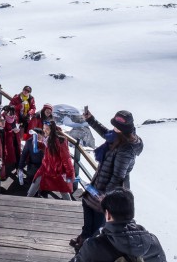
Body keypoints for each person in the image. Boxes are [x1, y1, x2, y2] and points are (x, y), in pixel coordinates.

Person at [71, 109, 144, 252]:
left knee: (99, 219)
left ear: (124, 129)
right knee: (87, 205)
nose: (113, 128)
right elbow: (105, 132)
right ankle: (84, 237)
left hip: (108, 191)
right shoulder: (116, 136)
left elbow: (118, 177)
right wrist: (91, 119)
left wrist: (105, 197)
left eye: (117, 126)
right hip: (99, 183)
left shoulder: (126, 149)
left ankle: (88, 248)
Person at [70, 189, 166, 262]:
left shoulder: (93, 246)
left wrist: (80, 251)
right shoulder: (152, 242)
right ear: (132, 212)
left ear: (108, 215)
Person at [27, 120, 75, 200]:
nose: (44, 130)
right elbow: (48, 149)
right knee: (35, 183)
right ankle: (27, 200)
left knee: (64, 190)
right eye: (44, 128)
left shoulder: (60, 141)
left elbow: (66, 159)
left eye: (47, 129)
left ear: (52, 130)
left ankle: (70, 205)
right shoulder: (48, 138)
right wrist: (39, 144)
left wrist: (70, 174)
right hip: (45, 168)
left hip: (57, 171)